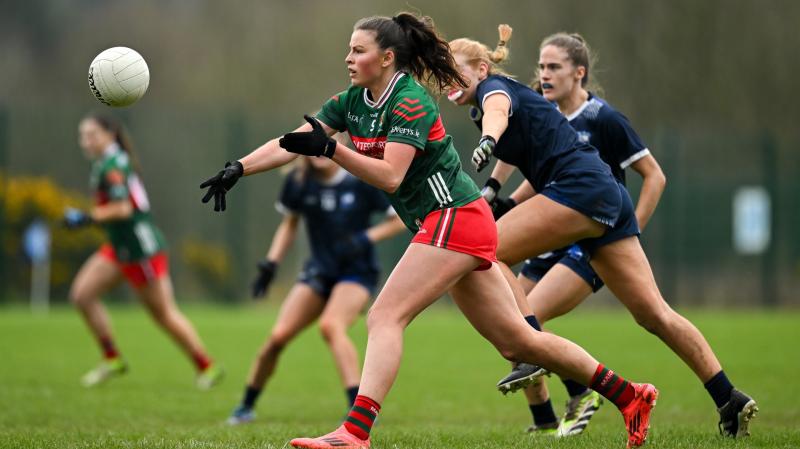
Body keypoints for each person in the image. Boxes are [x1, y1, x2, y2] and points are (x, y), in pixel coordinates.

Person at [200, 13, 657, 449]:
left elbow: (390, 177)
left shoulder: (411, 100)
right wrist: (239, 167)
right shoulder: (352, 102)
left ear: (386, 58)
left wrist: (332, 151)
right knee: (518, 342)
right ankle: (630, 395)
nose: (348, 58)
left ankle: (355, 432)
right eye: (349, 50)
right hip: (453, 223)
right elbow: (293, 140)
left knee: (384, 316)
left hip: (455, 217)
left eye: (358, 50)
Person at [447, 25, 756, 439]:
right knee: (654, 314)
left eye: (454, 71)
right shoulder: (518, 101)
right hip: (601, 198)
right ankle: (728, 396)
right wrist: (493, 192)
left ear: (483, 69)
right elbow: (517, 147)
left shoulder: (496, 92)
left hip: (581, 192)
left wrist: (488, 138)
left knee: (488, 250)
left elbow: (499, 114)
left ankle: (538, 357)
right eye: (542, 66)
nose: (447, 81)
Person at [227, 152, 406, 425]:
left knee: (331, 326)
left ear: (339, 143)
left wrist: (364, 239)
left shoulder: (361, 179)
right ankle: (245, 407)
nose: (319, 152)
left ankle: (357, 409)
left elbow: (397, 221)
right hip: (320, 271)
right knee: (277, 337)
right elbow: (289, 225)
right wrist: (271, 264)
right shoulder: (299, 181)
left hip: (357, 272)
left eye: (325, 141)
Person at [66, 112, 223, 389]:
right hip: (120, 248)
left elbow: (123, 208)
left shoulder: (113, 166)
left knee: (163, 314)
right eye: (83, 136)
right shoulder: (107, 162)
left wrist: (87, 217)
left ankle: (207, 366)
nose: (85, 141)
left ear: (110, 135)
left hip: (140, 249)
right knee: (82, 295)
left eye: (92, 135)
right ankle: (112, 359)